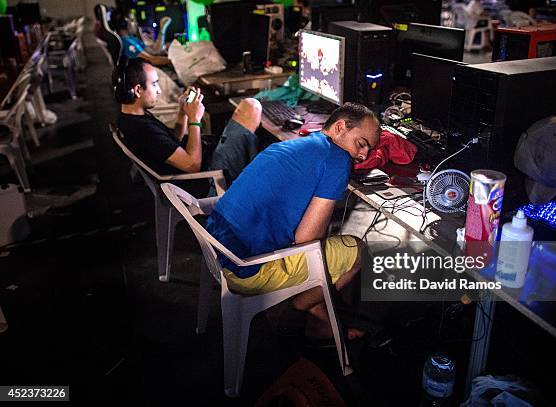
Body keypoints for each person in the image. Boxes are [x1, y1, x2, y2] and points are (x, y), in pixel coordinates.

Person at [206, 103, 381, 340]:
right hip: (246, 269)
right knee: (358, 250)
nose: (363, 155)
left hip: (216, 248)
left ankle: (318, 316)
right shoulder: (338, 160)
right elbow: (307, 241)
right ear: (340, 127)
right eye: (361, 144)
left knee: (323, 241)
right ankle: (294, 309)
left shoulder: (294, 143)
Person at [114, 57, 262, 184]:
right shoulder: (142, 129)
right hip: (209, 178)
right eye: (154, 84)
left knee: (247, 119)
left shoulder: (130, 118)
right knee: (251, 107)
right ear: (138, 90)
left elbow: (171, 143)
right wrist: (194, 119)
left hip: (206, 162)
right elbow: (193, 165)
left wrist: (182, 112)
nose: (159, 90)